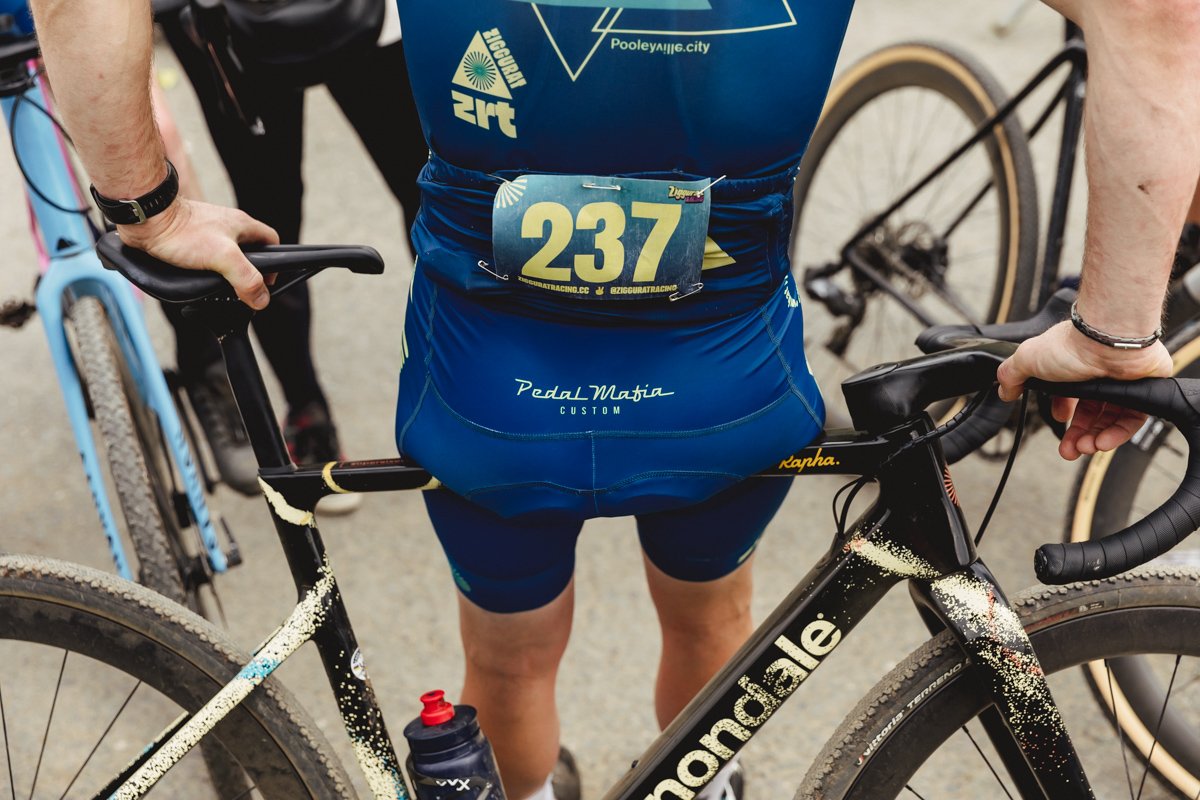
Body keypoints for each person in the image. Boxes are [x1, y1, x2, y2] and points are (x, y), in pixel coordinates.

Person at [27, 1, 1200, 799]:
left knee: (511, 658)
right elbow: (1151, 20)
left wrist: (147, 207)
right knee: (708, 620)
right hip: (722, 382)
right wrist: (1113, 328)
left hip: (489, 388)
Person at [152, 0, 426, 506]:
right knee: (270, 219)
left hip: (376, 18)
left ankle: (460, 393)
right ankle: (307, 411)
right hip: (228, 22)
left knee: (424, 190)